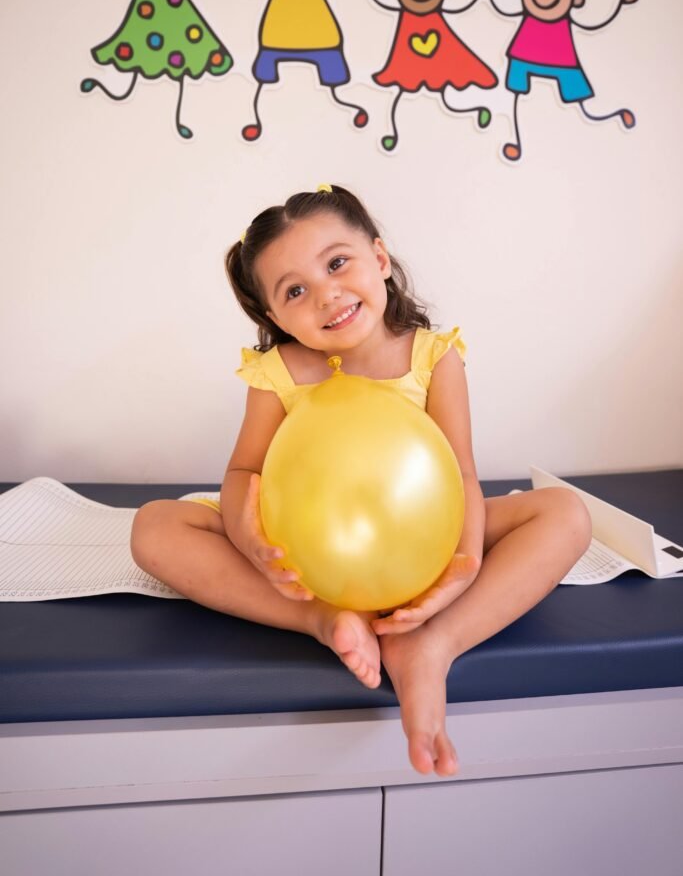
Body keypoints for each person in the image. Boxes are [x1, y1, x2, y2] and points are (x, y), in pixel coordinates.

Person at [131, 184, 591, 777]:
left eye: (337, 263)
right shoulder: (279, 372)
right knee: (153, 527)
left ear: (379, 258)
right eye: (295, 290)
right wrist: (256, 548)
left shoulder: (432, 356)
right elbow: (243, 473)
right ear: (275, 316)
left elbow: (462, 477)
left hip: (423, 541)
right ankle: (322, 620)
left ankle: (431, 643)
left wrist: (463, 564)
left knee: (564, 514)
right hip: (306, 556)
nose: (327, 295)